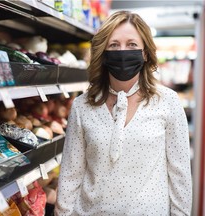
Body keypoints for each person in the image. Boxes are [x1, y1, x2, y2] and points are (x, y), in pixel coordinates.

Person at [54, 10, 192, 215]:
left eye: (132, 45)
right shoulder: (82, 105)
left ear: (145, 53)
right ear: (103, 52)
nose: (123, 51)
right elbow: (70, 175)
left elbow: (180, 176)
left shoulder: (167, 102)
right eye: (114, 45)